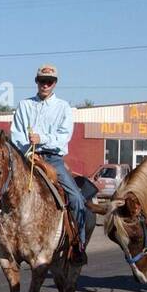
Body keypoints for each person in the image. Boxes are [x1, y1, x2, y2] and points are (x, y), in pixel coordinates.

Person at [10, 64, 88, 261]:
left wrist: (42, 138)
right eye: (42, 81)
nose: (45, 85)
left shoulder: (63, 108)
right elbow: (16, 133)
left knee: (77, 199)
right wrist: (27, 150)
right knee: (2, 190)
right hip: (27, 157)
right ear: (36, 81)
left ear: (55, 84)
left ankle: (79, 243)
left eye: (49, 81)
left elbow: (64, 137)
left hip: (53, 159)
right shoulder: (24, 105)